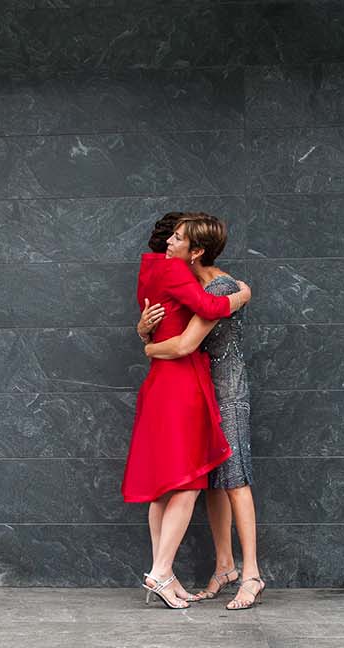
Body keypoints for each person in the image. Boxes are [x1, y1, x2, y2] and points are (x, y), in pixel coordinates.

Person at [121, 212, 251, 610]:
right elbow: (208, 306)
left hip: (160, 383)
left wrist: (144, 334)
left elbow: (158, 319)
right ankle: (160, 573)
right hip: (180, 382)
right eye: (173, 236)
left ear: (194, 248)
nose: (169, 244)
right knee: (190, 481)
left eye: (178, 239)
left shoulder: (150, 273)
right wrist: (241, 295)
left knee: (164, 487)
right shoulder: (176, 271)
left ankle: (165, 574)